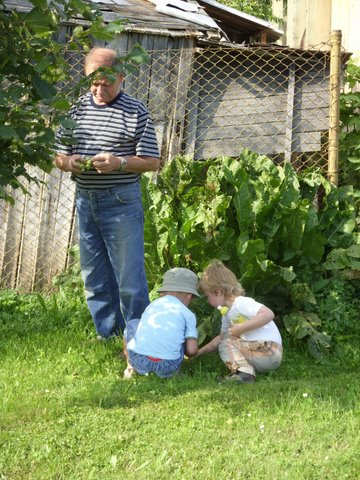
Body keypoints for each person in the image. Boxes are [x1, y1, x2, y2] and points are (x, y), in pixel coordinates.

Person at [54, 47, 160, 339]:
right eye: (94, 82)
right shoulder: (75, 109)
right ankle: (108, 334)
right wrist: (68, 162)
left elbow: (152, 162)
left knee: (129, 278)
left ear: (121, 77)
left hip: (120, 201)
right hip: (85, 202)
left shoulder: (136, 111)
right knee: (94, 276)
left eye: (107, 83)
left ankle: (140, 337)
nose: (99, 89)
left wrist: (120, 163)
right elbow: (59, 156)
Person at [197, 260, 282, 383]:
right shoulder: (227, 313)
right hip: (263, 355)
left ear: (218, 292)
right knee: (225, 339)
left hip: (269, 350)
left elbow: (268, 314)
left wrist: (241, 328)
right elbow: (220, 338)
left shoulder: (241, 303)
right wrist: (199, 353)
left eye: (207, 296)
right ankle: (246, 372)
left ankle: (243, 374)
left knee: (226, 341)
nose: (207, 300)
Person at [123, 268, 199, 379]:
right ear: (189, 296)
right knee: (182, 332)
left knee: (133, 323)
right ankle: (172, 373)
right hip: (168, 366)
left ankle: (130, 367)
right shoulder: (188, 314)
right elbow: (192, 351)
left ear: (162, 293)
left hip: (140, 361)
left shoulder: (152, 306)